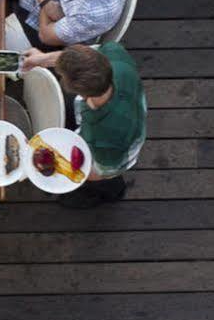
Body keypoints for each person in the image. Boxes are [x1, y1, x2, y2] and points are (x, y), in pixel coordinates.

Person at [23, 42, 146, 207]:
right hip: (126, 109)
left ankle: (111, 194)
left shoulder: (106, 137)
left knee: (104, 185)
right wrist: (42, 59)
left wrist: (55, 166)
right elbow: (85, 59)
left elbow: (102, 171)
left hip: (113, 156)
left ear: (79, 91)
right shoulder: (114, 55)